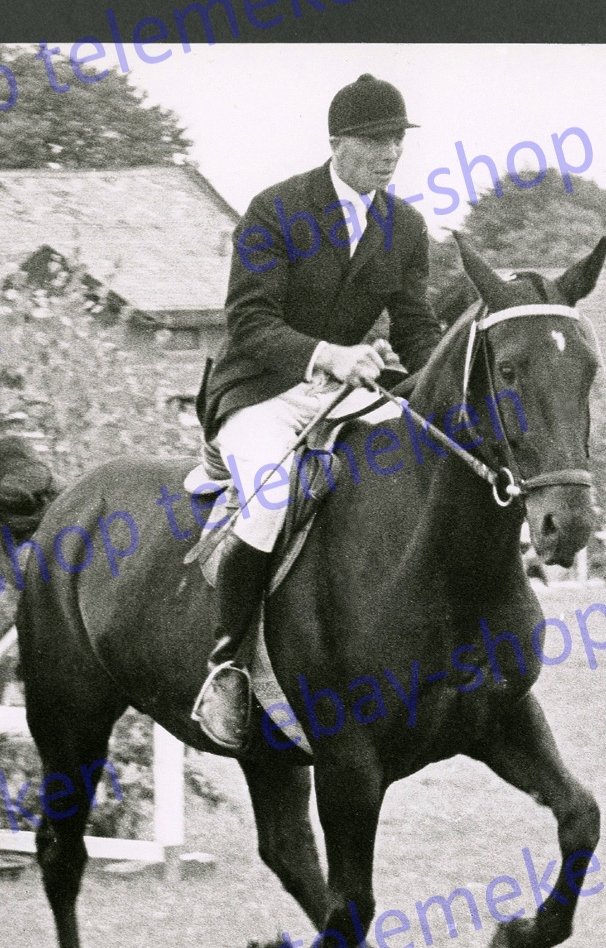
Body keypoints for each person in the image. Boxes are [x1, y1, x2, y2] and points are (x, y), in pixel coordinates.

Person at [192, 73, 443, 750]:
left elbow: (417, 327)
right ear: (338, 143)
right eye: (375, 140)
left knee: (411, 470)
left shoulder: (405, 226)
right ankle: (226, 666)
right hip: (258, 391)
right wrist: (332, 354)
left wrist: (437, 384)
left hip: (346, 391)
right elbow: (250, 323)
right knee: (270, 500)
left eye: (397, 139)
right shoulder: (277, 210)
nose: (390, 153)